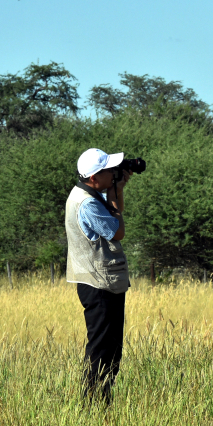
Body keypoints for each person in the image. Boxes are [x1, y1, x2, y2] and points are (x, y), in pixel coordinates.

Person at [65, 148, 133, 406]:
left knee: (109, 347)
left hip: (97, 281)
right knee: (103, 349)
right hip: (99, 283)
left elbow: (115, 218)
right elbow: (118, 231)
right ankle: (93, 403)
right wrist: (115, 196)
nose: (114, 173)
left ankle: (99, 401)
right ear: (94, 177)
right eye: (109, 170)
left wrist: (117, 191)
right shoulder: (88, 203)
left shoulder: (83, 194)